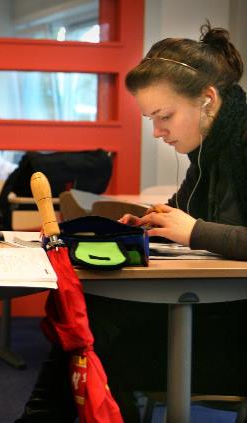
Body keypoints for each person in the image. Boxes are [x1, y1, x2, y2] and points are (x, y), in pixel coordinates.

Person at [86, 22, 247, 421]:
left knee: (96, 330)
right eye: (151, 120)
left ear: (208, 99)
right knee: (92, 308)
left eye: (164, 116)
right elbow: (181, 207)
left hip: (236, 331)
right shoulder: (211, 147)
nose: (157, 132)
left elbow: (193, 224)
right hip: (224, 307)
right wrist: (148, 220)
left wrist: (194, 232)